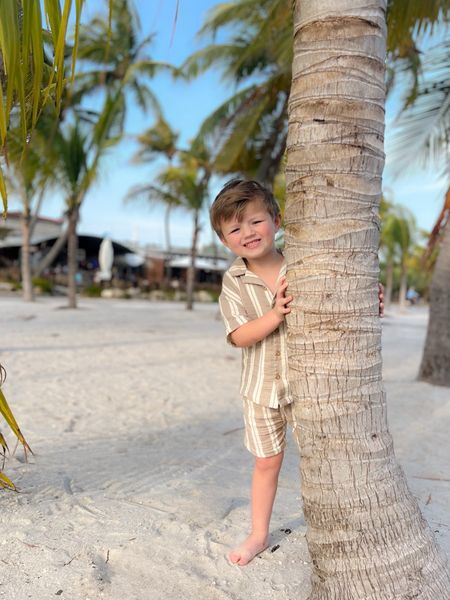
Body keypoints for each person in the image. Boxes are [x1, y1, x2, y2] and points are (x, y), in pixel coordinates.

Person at [210, 179, 385, 567]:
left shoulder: (303, 264)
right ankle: (258, 533)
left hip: (312, 387)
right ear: (225, 241)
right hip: (260, 389)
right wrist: (274, 314)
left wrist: (367, 298)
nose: (247, 233)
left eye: (255, 221)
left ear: (276, 219)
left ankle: (338, 530)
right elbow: (238, 336)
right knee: (267, 462)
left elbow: (340, 301)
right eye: (235, 229)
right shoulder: (234, 281)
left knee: (323, 458)